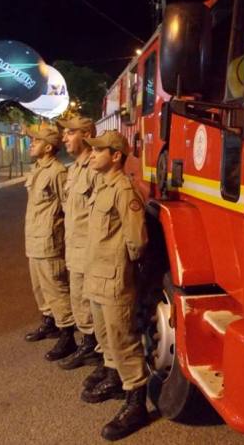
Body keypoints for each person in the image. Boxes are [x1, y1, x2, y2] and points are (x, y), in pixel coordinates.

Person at [81, 130, 149, 441]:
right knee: (106, 335)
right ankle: (116, 380)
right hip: (96, 275)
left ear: (116, 156)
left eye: (99, 151)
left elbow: (137, 240)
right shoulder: (102, 185)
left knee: (123, 340)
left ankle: (136, 403)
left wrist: (125, 269)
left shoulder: (123, 190)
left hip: (114, 279)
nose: (92, 155)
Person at [23, 127, 76, 361]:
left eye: (36, 141)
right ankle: (50, 322)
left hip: (49, 241)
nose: (31, 144)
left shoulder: (57, 172)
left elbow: (68, 208)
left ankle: (67, 334)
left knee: (56, 288)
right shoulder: (37, 169)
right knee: (40, 287)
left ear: (48, 147)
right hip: (33, 239)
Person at [55, 116, 103, 371]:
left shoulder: (95, 168)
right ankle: (88, 344)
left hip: (89, 250)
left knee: (92, 303)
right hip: (74, 246)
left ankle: (99, 353)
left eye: (70, 133)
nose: (64, 138)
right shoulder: (73, 170)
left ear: (86, 135)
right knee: (78, 299)